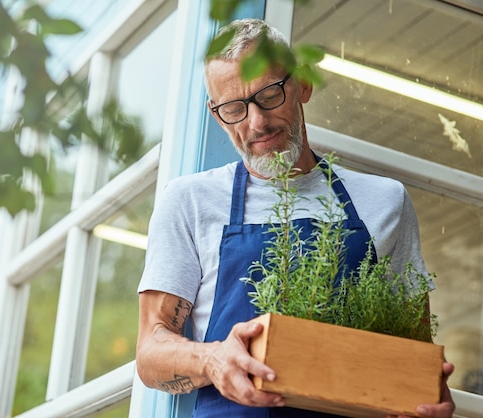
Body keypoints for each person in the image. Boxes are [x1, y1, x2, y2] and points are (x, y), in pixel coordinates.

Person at [136, 18, 455, 418]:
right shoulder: (188, 201)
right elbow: (150, 352)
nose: (257, 123)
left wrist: (428, 396)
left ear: (301, 84)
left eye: (269, 95)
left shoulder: (385, 201)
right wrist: (213, 360)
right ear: (217, 116)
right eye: (234, 108)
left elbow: (416, 352)